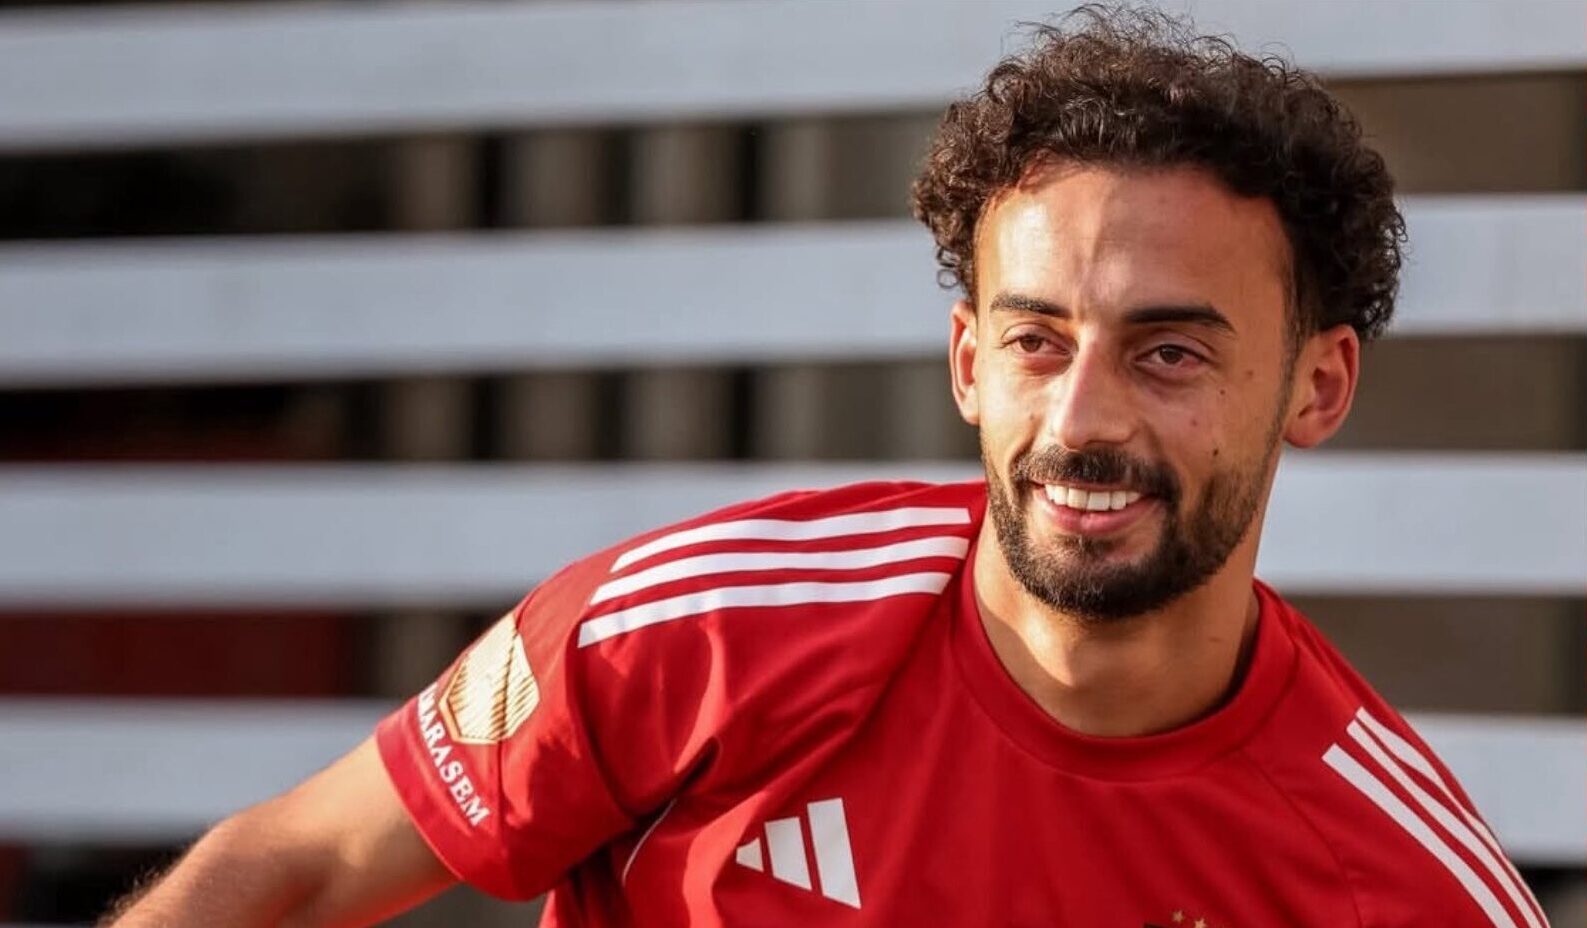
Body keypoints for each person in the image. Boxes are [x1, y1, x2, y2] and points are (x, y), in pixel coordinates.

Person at [105, 7, 1549, 928]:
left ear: (1317, 385)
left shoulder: (1403, 883)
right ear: (969, 362)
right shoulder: (707, 630)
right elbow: (294, 870)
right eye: (1037, 341)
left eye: (1169, 352)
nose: (1082, 419)